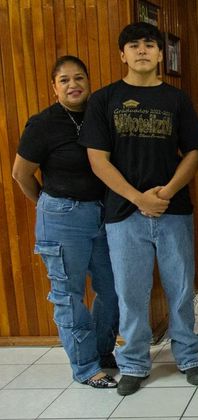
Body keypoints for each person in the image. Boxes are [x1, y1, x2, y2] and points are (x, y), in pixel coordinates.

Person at [80, 22, 198, 396]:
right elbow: (97, 159)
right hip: (124, 214)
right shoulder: (104, 100)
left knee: (181, 289)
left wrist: (165, 192)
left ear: (159, 54)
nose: (141, 51)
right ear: (122, 54)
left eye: (148, 45)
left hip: (173, 209)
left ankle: (188, 357)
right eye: (133, 45)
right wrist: (139, 197)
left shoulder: (177, 99)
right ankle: (134, 363)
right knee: (130, 293)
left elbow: (195, 152)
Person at [12, 55, 119, 389]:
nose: (73, 85)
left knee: (114, 289)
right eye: (65, 80)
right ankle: (85, 366)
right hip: (62, 216)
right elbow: (21, 174)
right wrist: (50, 203)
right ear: (54, 87)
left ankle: (102, 352)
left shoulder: (100, 117)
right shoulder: (43, 124)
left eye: (79, 78)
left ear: (89, 82)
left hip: (103, 214)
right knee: (69, 295)